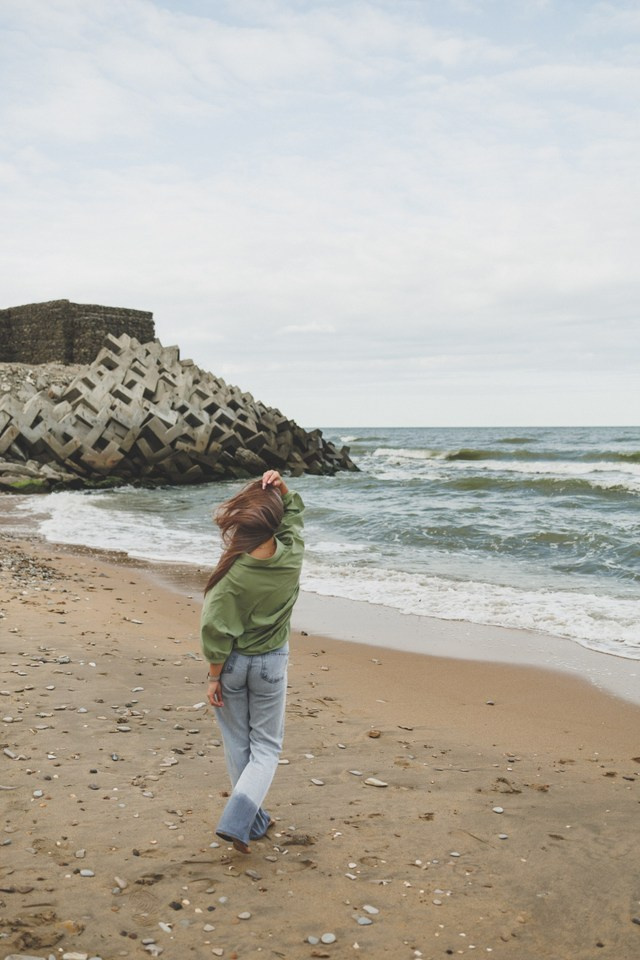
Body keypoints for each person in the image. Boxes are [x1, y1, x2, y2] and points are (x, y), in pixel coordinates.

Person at [201, 469, 305, 853]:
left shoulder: (232, 575)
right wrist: (282, 489)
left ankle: (239, 820)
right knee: (266, 748)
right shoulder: (292, 555)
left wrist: (213, 676)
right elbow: (295, 518)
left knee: (238, 743)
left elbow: (216, 629)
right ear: (275, 524)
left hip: (231, 665)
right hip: (272, 663)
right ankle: (250, 819)